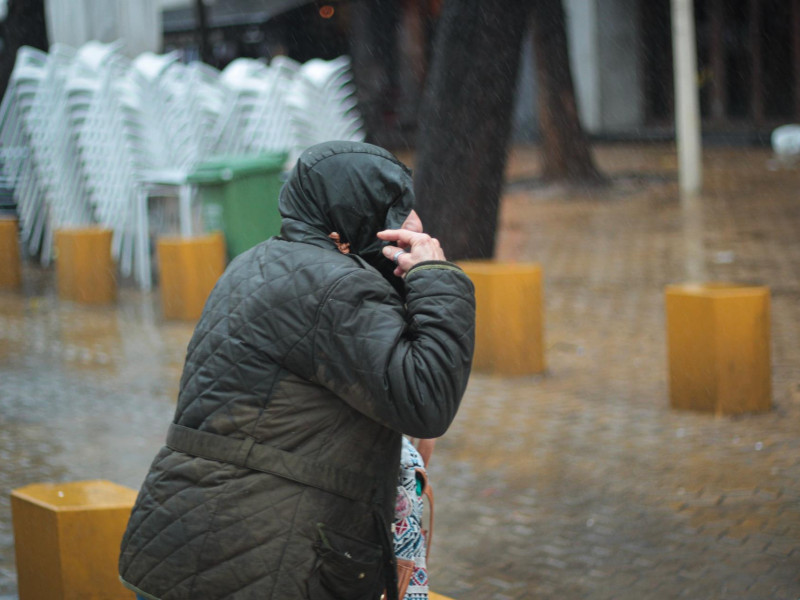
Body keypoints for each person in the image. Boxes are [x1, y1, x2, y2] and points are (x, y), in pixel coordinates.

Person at [118, 140, 475, 600]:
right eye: (396, 208)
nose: (416, 224)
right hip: (259, 563)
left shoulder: (258, 264)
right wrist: (436, 278)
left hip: (186, 542)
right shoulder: (336, 287)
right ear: (354, 213)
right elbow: (427, 400)